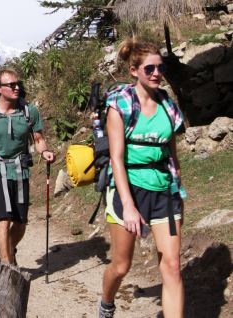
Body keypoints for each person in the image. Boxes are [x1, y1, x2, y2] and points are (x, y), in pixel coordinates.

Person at [99, 38, 185, 318]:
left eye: (160, 68)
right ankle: (107, 303)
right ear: (134, 71)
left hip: (164, 189)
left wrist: (178, 186)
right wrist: (130, 206)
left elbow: (171, 152)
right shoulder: (120, 105)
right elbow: (116, 159)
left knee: (172, 266)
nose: (157, 73)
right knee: (121, 266)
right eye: (149, 69)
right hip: (130, 188)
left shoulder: (167, 106)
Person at [0, 68, 55, 264]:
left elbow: (39, 138)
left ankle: (10, 249)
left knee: (20, 223)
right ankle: (7, 266)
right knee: (4, 220)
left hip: (20, 171)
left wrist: (44, 151)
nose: (17, 87)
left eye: (18, 84)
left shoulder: (29, 111)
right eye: (11, 85)